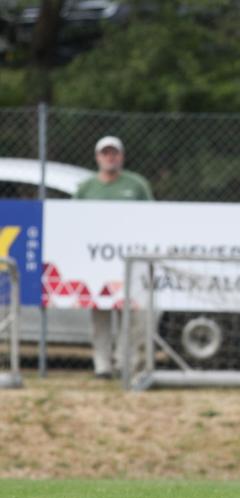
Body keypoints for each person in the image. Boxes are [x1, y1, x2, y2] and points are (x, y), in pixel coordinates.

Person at [74, 136, 154, 378]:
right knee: (100, 317)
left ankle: (125, 364)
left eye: (114, 153)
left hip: (130, 262)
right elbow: (72, 221)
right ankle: (102, 366)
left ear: (121, 156)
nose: (110, 157)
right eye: (105, 153)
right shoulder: (86, 188)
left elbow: (153, 217)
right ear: (98, 157)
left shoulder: (136, 185)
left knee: (132, 316)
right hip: (97, 264)